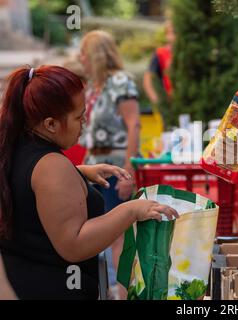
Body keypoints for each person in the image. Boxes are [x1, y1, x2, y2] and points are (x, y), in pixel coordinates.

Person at [0, 65, 178, 299]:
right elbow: (74, 245)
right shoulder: (51, 165)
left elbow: (29, 187)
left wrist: (79, 173)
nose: (84, 121)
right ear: (50, 124)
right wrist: (131, 210)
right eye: (78, 116)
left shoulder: (15, 147)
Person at [78, 30, 142, 298]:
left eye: (84, 52)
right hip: (94, 165)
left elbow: (134, 124)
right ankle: (106, 290)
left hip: (115, 167)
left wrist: (129, 171)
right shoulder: (94, 86)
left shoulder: (120, 82)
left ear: (95, 54)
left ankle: (122, 292)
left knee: (118, 234)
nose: (80, 58)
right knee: (96, 233)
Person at [143, 19, 176, 122]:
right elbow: (148, 79)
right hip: (170, 104)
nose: (174, 36)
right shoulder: (161, 53)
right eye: (172, 32)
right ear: (167, 35)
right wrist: (158, 102)